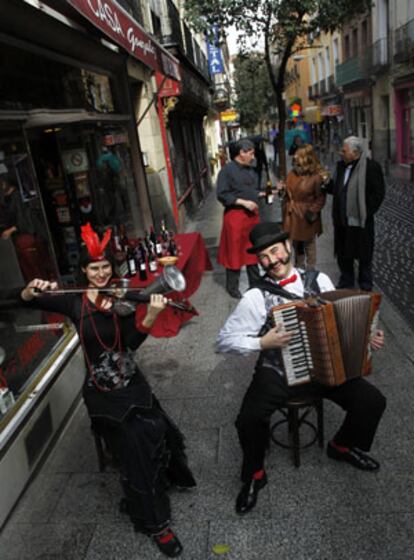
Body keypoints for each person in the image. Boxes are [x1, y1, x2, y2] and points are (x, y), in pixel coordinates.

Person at [20, 223, 195, 558]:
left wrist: (151, 315)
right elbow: (27, 301)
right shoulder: (74, 303)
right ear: (84, 271)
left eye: (105, 267)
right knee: (134, 441)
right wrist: (31, 290)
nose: (100, 273)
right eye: (93, 268)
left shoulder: (122, 299)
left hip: (130, 381)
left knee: (156, 427)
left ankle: (158, 480)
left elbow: (129, 345)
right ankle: (155, 522)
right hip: (100, 391)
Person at [216, 222, 386, 515]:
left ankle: (341, 446)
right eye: (264, 257)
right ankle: (255, 475)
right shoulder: (256, 296)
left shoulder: (318, 280)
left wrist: (367, 337)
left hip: (324, 369)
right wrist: (262, 342)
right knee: (248, 418)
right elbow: (224, 341)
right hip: (278, 371)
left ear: (286, 247)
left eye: (275, 251)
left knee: (372, 402)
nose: (272, 261)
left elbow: (339, 318)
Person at [325, 136, 385, 291]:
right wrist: (325, 185)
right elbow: (336, 188)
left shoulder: (371, 168)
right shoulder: (340, 167)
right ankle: (347, 280)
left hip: (361, 220)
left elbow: (378, 193)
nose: (341, 153)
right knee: (343, 253)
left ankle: (365, 282)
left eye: (344, 151)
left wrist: (366, 211)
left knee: (364, 254)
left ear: (355, 152)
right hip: (341, 220)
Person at [216, 138, 261, 299]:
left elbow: (252, 190)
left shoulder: (250, 169)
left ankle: (256, 285)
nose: (252, 155)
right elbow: (221, 194)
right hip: (235, 216)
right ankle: (232, 287)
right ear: (241, 153)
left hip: (251, 217)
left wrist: (265, 193)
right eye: (250, 153)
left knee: (253, 250)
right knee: (234, 252)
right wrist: (242, 203)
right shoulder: (227, 171)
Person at [281, 144, 328, 270]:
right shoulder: (292, 174)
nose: (295, 157)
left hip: (306, 214)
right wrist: (282, 190)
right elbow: (288, 192)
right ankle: (299, 268)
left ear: (306, 158)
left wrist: (312, 212)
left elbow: (321, 198)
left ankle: (311, 270)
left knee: (309, 244)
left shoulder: (316, 177)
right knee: (297, 244)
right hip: (293, 215)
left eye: (298, 155)